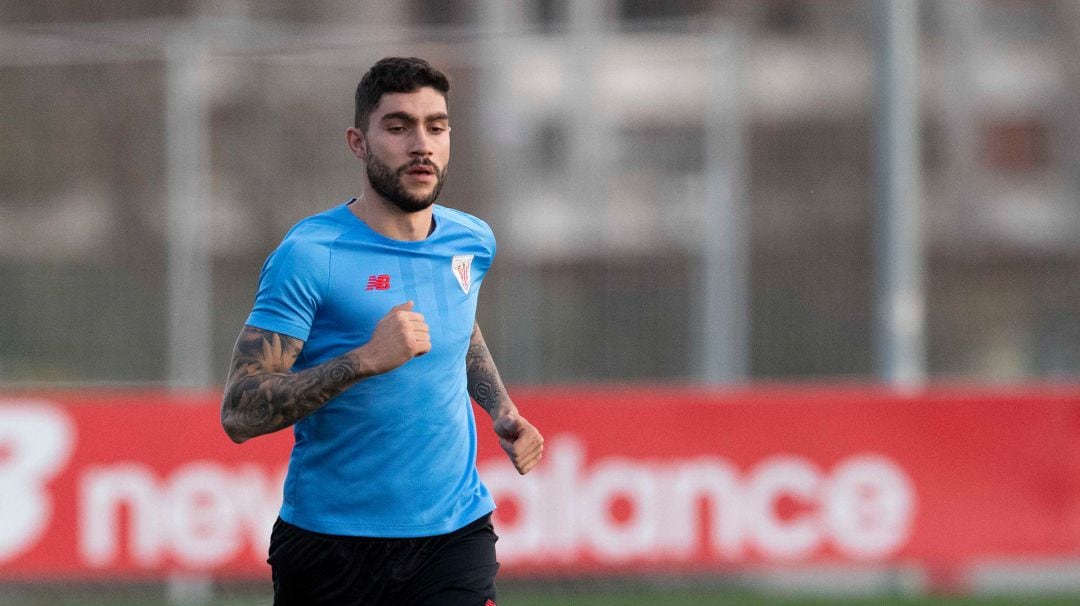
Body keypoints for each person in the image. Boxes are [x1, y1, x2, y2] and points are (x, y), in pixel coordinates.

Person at [220, 56, 544, 606]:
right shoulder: (309, 254)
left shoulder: (472, 241)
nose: (422, 144)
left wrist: (501, 408)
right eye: (398, 127)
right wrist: (363, 360)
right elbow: (240, 412)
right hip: (331, 549)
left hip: (454, 536)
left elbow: (458, 327)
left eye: (435, 126)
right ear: (358, 141)